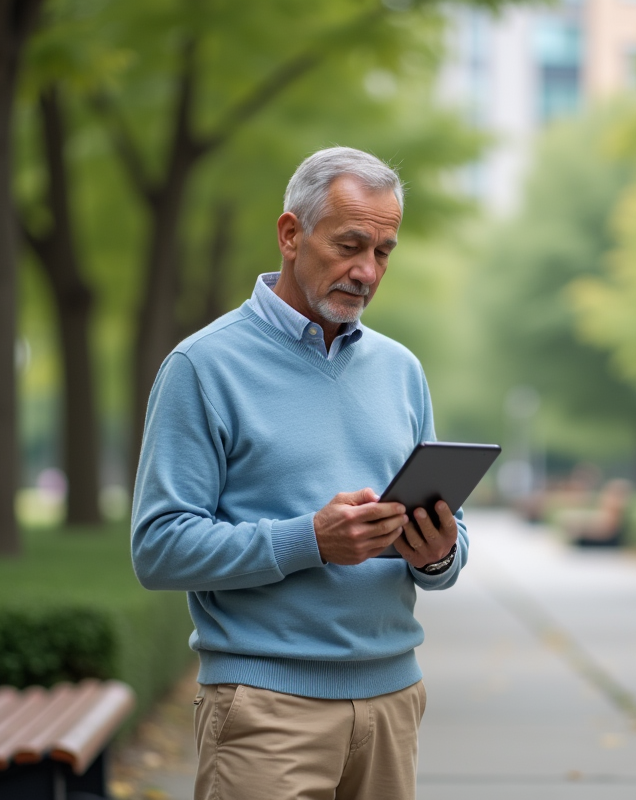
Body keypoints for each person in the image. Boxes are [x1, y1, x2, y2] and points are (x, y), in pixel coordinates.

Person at [131, 147, 466, 800]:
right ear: (290, 235)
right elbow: (158, 549)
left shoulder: (403, 370)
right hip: (264, 711)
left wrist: (440, 552)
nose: (366, 271)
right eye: (349, 245)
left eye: (383, 251)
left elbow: (450, 549)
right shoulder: (202, 367)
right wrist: (310, 540)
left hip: (393, 700)